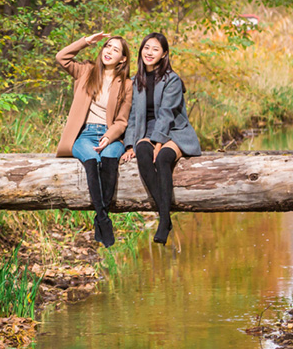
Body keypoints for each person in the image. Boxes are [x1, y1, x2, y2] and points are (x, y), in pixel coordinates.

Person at [54, 32, 133, 247]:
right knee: (91, 161)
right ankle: (104, 219)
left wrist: (109, 136)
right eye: (107, 46)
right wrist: (86, 41)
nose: (109, 51)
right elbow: (61, 57)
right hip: (85, 135)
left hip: (110, 136)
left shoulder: (126, 84)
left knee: (109, 161)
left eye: (115, 49)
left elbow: (122, 121)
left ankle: (100, 217)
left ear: (123, 59)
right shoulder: (86, 71)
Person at [124, 32, 201, 245]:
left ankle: (163, 220)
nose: (150, 52)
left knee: (164, 158)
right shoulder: (134, 82)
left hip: (175, 131)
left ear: (164, 54)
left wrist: (159, 143)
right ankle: (166, 217)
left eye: (155, 49)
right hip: (146, 132)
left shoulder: (172, 80)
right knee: (142, 153)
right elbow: (131, 117)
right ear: (141, 50)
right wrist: (129, 144)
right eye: (147, 48)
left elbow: (167, 113)